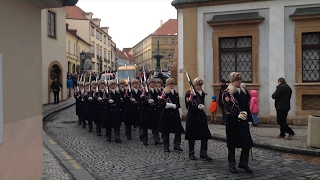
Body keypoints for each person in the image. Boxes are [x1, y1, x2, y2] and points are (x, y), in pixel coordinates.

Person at [222, 72, 253, 174]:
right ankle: (232, 164)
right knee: (232, 144)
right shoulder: (227, 92)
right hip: (232, 122)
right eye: (236, 80)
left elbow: (246, 106)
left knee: (247, 143)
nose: (238, 82)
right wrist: (237, 114)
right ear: (232, 81)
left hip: (243, 121)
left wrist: (250, 118)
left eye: (239, 80)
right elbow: (228, 107)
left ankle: (244, 163)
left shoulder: (244, 92)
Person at [185, 77, 212, 161]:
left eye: (201, 85)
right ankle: (191, 153)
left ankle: (203, 153)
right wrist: (196, 107)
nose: (200, 87)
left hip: (201, 116)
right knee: (192, 136)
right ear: (194, 85)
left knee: (204, 135)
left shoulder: (202, 93)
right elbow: (188, 105)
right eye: (198, 85)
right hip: (192, 117)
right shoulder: (189, 93)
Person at [159, 78, 184, 152]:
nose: (172, 85)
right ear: (167, 85)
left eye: (173, 84)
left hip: (175, 113)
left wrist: (180, 112)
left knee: (178, 130)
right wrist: (171, 105)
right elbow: (162, 103)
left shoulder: (176, 93)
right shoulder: (165, 93)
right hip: (167, 114)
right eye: (170, 84)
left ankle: (177, 145)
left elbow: (178, 103)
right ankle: (166, 146)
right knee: (166, 131)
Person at [141, 78, 163, 146]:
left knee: (155, 126)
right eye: (151, 83)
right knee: (145, 126)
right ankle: (145, 140)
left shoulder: (156, 91)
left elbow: (159, 99)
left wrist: (156, 100)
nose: (152, 84)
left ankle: (157, 140)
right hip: (146, 111)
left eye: (153, 83)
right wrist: (147, 102)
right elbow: (142, 100)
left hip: (154, 110)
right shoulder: (145, 90)